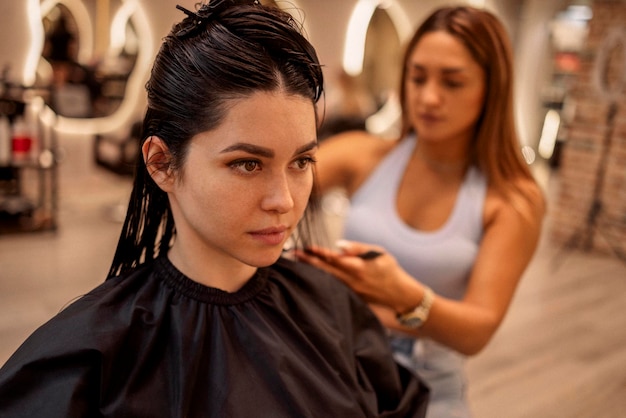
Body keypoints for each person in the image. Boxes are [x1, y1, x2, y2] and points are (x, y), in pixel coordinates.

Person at [0, 1, 429, 416]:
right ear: (161, 164)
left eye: (301, 161)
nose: (284, 200)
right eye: (247, 164)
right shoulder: (87, 362)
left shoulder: (334, 308)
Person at [297, 6, 545, 418]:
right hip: (335, 364)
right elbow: (277, 185)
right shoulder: (365, 156)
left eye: (452, 82)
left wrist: (404, 294)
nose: (428, 97)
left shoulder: (512, 200)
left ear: (491, 89)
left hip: (428, 385)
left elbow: (477, 330)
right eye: (417, 77)